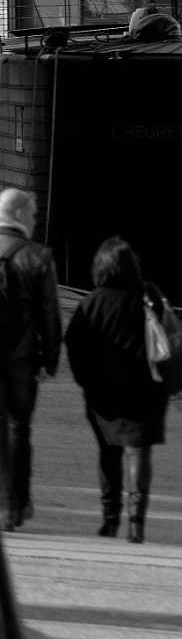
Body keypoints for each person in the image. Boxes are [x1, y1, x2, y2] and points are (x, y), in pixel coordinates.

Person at [63, 236, 171, 543]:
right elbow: (168, 335)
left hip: (103, 391)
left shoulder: (92, 302)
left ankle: (110, 520)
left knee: (108, 452)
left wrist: (85, 379)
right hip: (146, 388)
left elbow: (74, 344)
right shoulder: (149, 295)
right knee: (139, 452)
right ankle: (137, 522)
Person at [0, 188, 61, 530]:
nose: (35, 221)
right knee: (18, 429)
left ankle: (5, 506)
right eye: (34, 215)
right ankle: (18, 505)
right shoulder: (38, 255)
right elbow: (50, 316)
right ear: (21, 215)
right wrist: (49, 362)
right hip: (23, 358)